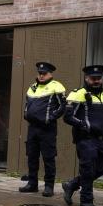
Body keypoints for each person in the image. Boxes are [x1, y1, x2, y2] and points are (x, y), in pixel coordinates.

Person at [62, 65, 103, 206]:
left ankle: (72, 184)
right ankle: (86, 201)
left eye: (99, 78)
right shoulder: (77, 94)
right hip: (85, 138)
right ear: (86, 78)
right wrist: (85, 125)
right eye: (93, 78)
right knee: (88, 168)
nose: (96, 81)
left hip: (102, 137)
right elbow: (67, 117)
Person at [19, 62, 66, 197]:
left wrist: (50, 118)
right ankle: (32, 184)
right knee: (32, 156)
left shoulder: (56, 86)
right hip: (32, 128)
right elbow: (27, 104)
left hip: (47, 129)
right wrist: (26, 113)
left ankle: (49, 186)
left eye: (44, 73)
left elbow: (62, 107)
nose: (41, 75)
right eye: (39, 73)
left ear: (50, 73)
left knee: (48, 157)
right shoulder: (32, 87)